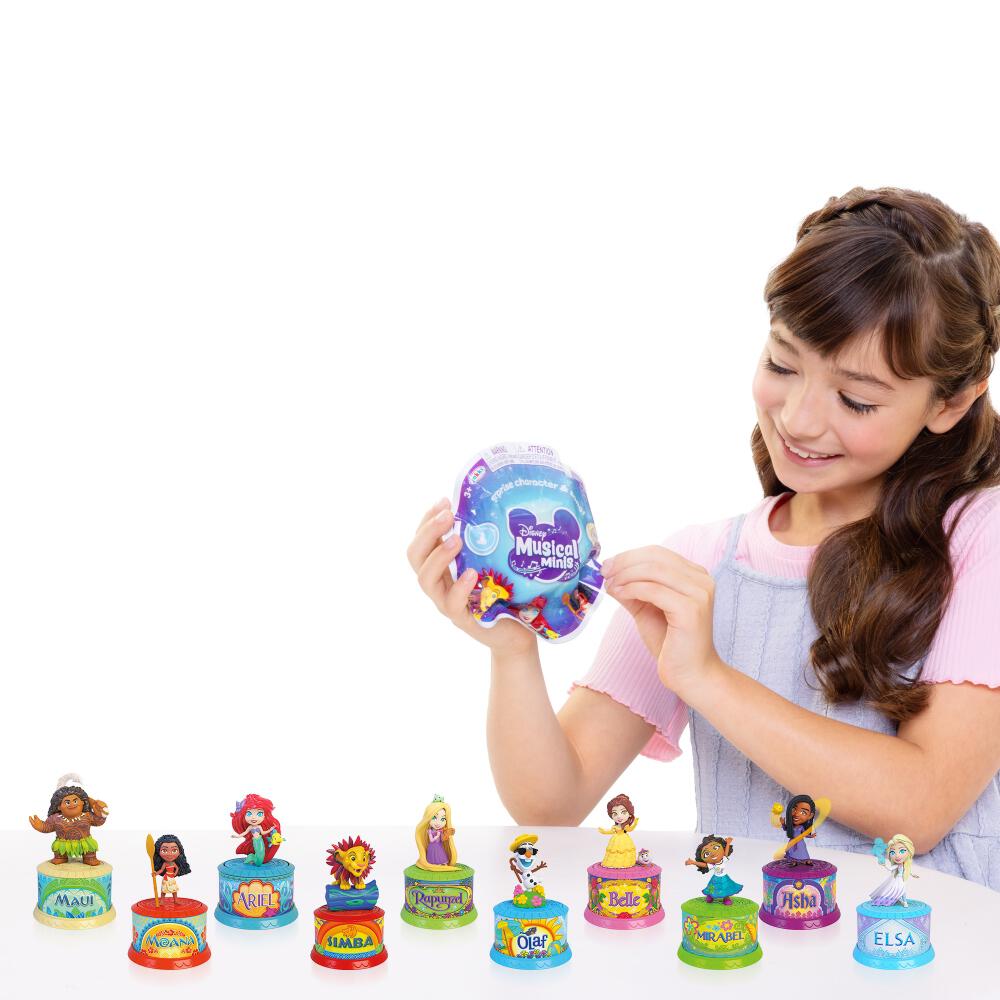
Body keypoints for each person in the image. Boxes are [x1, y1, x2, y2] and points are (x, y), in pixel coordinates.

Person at [407, 186, 1000, 889]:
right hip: (740, 946)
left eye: (856, 399)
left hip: (924, 951)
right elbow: (553, 801)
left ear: (951, 401)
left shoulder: (978, 537)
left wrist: (707, 678)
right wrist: (512, 648)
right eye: (782, 364)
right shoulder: (702, 563)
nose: (800, 419)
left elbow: (921, 805)